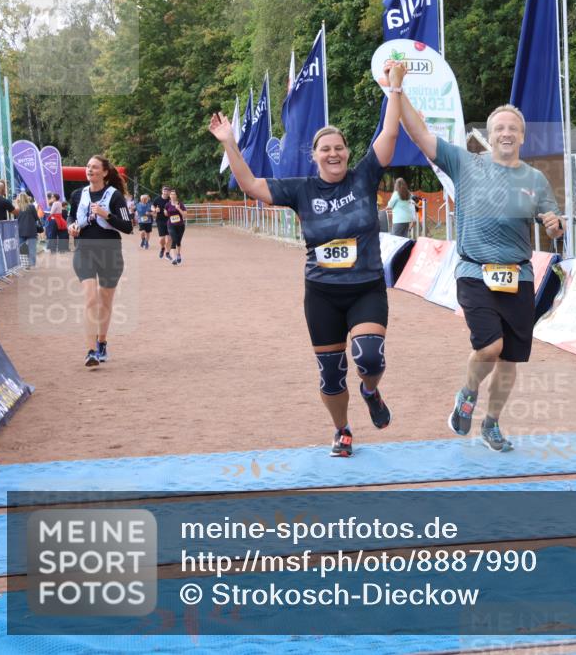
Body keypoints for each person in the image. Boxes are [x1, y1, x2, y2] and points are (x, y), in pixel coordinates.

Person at [208, 61, 405, 458]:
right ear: (314, 156)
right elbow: (250, 184)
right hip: (322, 294)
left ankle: (370, 390)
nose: (334, 154)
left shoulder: (364, 176)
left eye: (339, 147)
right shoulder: (299, 190)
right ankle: (342, 430)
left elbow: (388, 133)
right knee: (331, 376)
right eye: (325, 149)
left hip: (365, 287)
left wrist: (395, 89)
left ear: (348, 152)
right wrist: (230, 141)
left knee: (368, 359)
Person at [397, 81, 564, 453]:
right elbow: (420, 134)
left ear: (522, 136)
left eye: (513, 128)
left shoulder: (534, 179)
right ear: (490, 135)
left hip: (519, 276)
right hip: (474, 271)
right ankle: (467, 395)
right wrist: (397, 90)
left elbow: (552, 223)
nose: (506, 133)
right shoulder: (465, 163)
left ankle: (491, 424)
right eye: (500, 128)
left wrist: (554, 225)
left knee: (510, 359)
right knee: (490, 347)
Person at [68, 155, 133, 367]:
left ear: (104, 172)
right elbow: (71, 217)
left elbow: (127, 227)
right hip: (84, 250)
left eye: (94, 167)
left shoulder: (114, 197)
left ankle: (102, 342)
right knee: (90, 300)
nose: (90, 170)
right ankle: (91, 351)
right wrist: (71, 227)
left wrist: (107, 215)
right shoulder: (78, 194)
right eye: (88, 167)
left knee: (105, 301)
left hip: (110, 252)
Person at [14, 193, 41, 268]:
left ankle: (25, 264)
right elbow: (36, 218)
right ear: (27, 198)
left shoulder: (16, 208)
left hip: (20, 230)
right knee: (32, 247)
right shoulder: (31, 207)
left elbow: (14, 220)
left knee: (22, 247)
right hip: (31, 229)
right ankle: (32, 263)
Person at [164, 190, 187, 265]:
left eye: (174, 194)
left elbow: (184, 215)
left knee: (178, 241)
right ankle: (174, 259)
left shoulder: (180, 204)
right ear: (169, 196)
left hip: (180, 225)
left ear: (176, 196)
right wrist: (165, 212)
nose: (172, 195)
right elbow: (166, 214)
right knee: (174, 239)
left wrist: (178, 209)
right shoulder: (167, 204)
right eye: (171, 194)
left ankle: (178, 254)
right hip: (171, 225)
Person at [151, 185, 172, 259]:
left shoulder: (171, 199)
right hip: (160, 220)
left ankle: (167, 253)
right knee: (162, 239)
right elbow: (152, 206)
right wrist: (154, 210)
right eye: (164, 190)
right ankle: (162, 248)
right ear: (162, 191)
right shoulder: (157, 199)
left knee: (169, 238)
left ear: (169, 192)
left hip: (169, 220)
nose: (166, 192)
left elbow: (175, 206)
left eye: (167, 190)